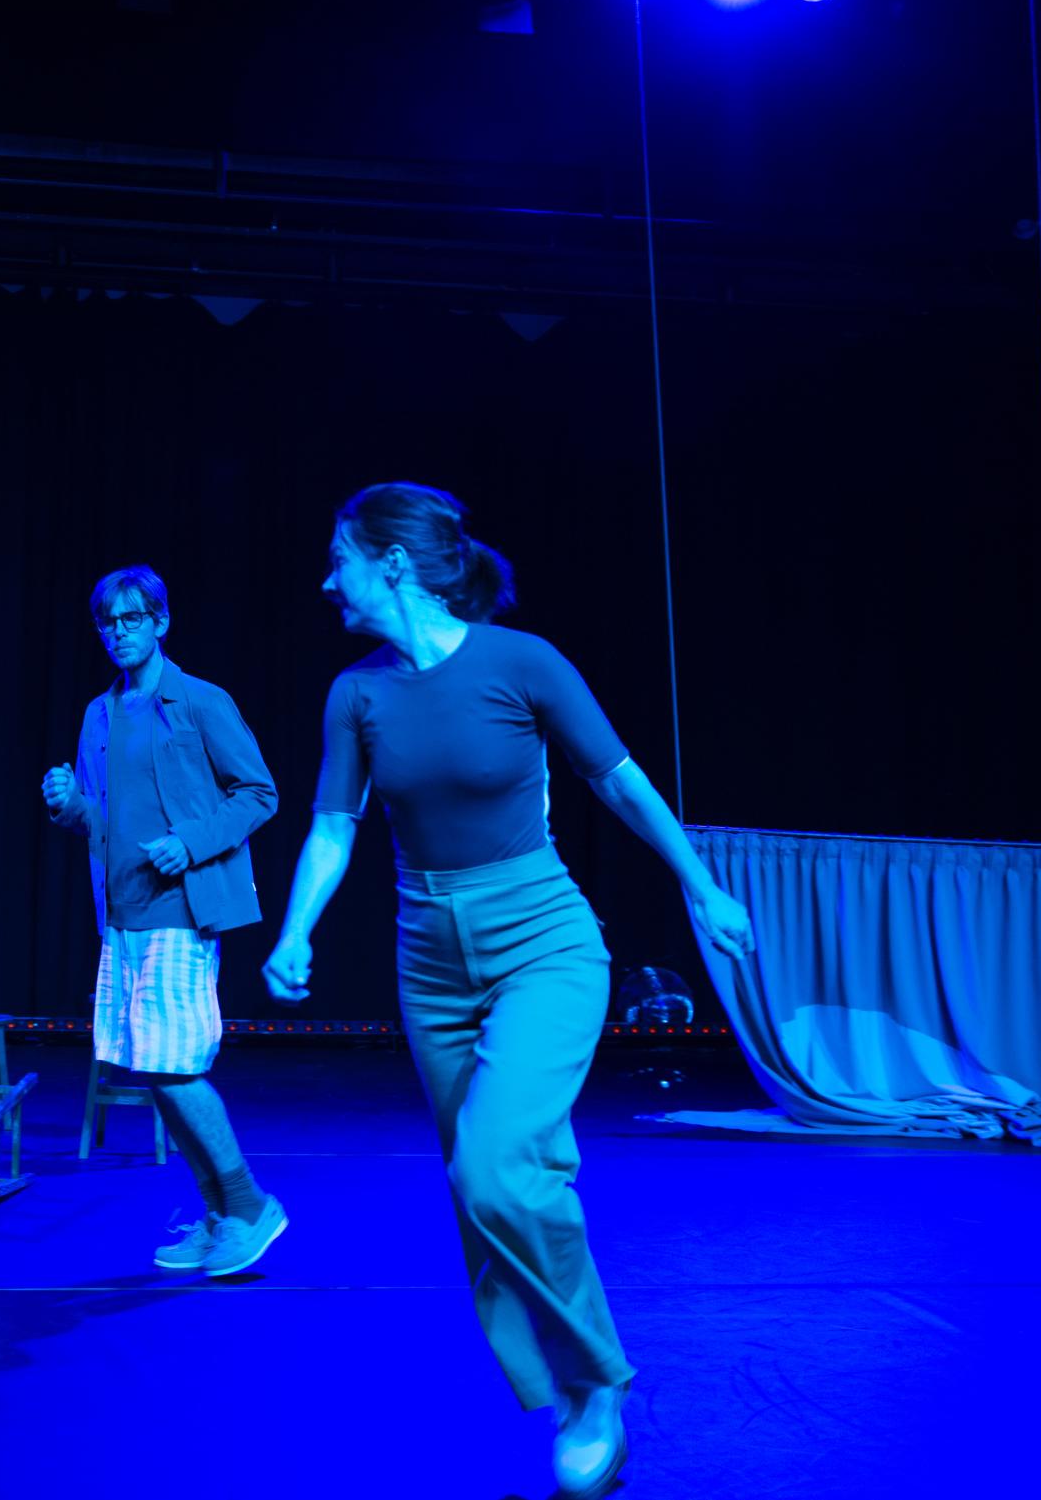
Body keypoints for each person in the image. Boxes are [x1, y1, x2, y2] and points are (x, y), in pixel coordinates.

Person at [259, 483, 753, 1500]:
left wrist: (701, 887)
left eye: (340, 558)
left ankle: (599, 1382)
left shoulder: (522, 663)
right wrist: (296, 927)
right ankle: (566, 1387)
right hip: (429, 958)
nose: (326, 580)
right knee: (484, 1183)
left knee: (496, 1168)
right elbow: (334, 825)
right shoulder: (356, 693)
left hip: (544, 939)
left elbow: (620, 779)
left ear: (393, 562)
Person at [41, 563, 285, 1278]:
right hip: (122, 915)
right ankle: (217, 1215)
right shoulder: (100, 713)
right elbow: (98, 818)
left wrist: (192, 841)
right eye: (108, 622)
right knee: (153, 1069)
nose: (119, 632)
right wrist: (68, 803)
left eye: (132, 619)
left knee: (175, 1066)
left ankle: (251, 1205)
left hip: (180, 908)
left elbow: (259, 792)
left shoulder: (200, 701)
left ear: (160, 622)